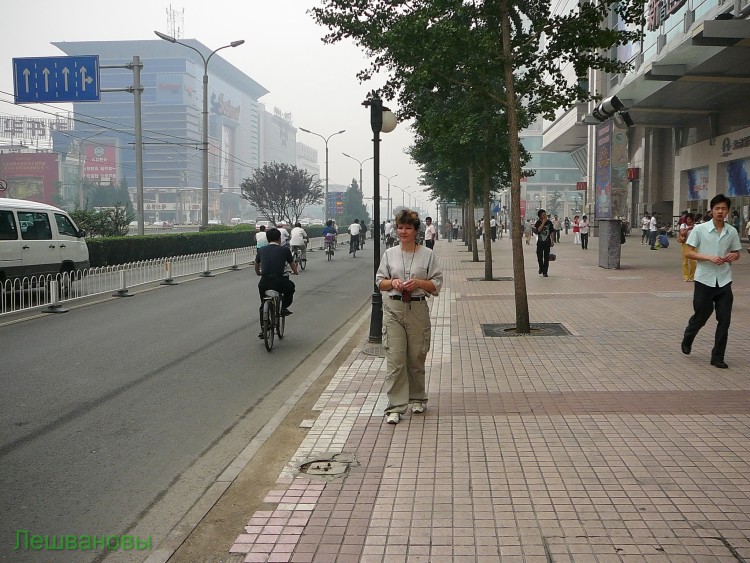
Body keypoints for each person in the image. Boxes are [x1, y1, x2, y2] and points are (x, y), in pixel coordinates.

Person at [375, 209, 443, 424]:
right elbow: (380, 282)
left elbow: (436, 284)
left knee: (416, 356)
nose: (403, 231)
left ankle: (417, 398)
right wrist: (392, 282)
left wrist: (419, 283)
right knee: (395, 359)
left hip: (417, 308)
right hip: (393, 309)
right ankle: (395, 406)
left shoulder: (428, 255)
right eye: (400, 227)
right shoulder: (389, 254)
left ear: (416, 230)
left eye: (408, 228)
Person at [681, 194, 741, 369]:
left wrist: (734, 255)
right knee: (701, 316)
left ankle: (718, 356)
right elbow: (689, 252)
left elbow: (737, 252)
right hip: (704, 281)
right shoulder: (700, 230)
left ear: (727, 211)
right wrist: (708, 257)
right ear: (711, 210)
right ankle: (689, 335)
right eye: (717, 208)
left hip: (724, 281)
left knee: (724, 320)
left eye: (723, 208)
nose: (720, 211)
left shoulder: (732, 231)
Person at [254, 228, 299, 335]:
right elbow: (292, 264)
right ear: (279, 238)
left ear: (267, 239)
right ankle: (284, 307)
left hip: (264, 282)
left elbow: (256, 265)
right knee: (290, 287)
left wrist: (258, 273)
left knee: (263, 303)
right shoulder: (284, 250)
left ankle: (264, 328)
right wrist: (295, 271)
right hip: (279, 281)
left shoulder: (261, 250)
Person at [533, 209, 554, 277]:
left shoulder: (549, 223)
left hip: (547, 242)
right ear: (540, 216)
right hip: (540, 242)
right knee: (539, 256)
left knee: (546, 257)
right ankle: (541, 267)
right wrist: (543, 223)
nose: (545, 215)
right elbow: (538, 230)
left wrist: (552, 241)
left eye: (545, 214)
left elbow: (552, 232)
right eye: (543, 214)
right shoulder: (538, 222)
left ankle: (545, 272)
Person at [678, 213, 696, 282]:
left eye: (691, 219)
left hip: (693, 245)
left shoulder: (695, 226)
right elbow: (682, 234)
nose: (690, 220)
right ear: (686, 219)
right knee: (685, 261)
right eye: (688, 219)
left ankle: (692, 276)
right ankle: (686, 276)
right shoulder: (683, 225)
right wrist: (688, 229)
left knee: (693, 262)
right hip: (685, 244)